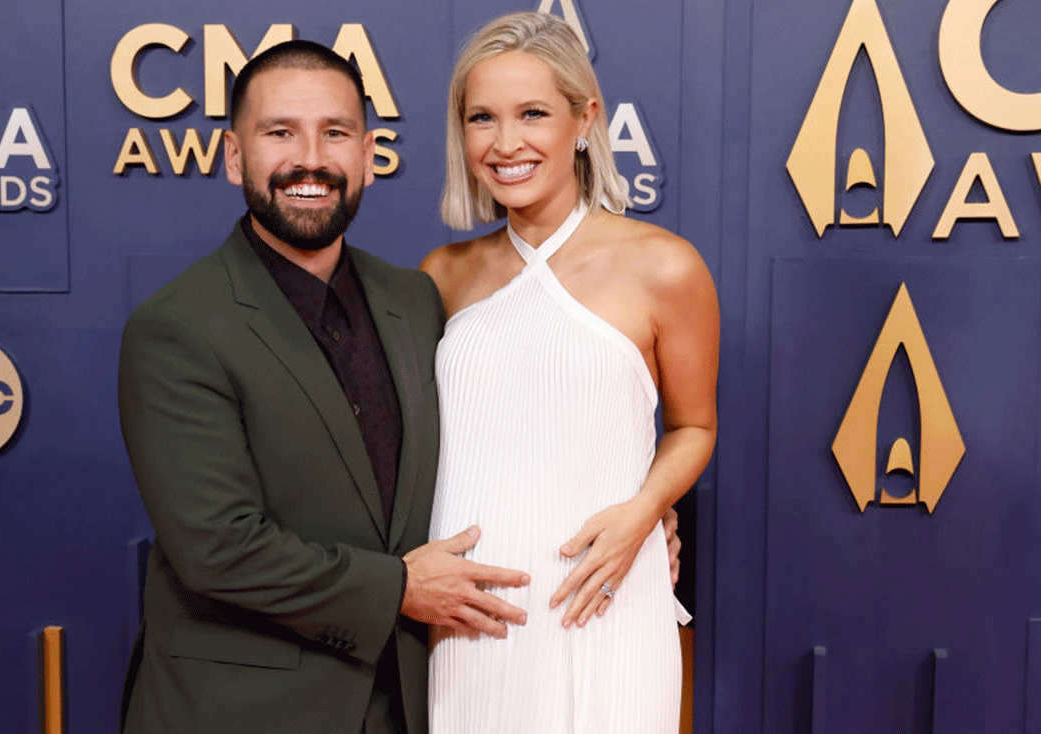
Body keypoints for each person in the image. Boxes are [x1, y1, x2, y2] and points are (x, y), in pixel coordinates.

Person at [116, 40, 533, 734]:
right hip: (240, 712)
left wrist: (638, 515)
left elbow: (489, 446)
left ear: (368, 154)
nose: (310, 159)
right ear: (233, 157)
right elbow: (218, 547)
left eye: (334, 133)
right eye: (280, 132)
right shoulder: (177, 327)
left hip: (410, 700)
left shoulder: (415, 300)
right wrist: (400, 589)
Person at [420, 12, 718, 734]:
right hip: (470, 619)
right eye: (482, 118)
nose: (506, 142)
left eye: (533, 114)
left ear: (585, 119)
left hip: (605, 596)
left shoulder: (665, 265)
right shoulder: (442, 275)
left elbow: (694, 426)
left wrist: (645, 511)